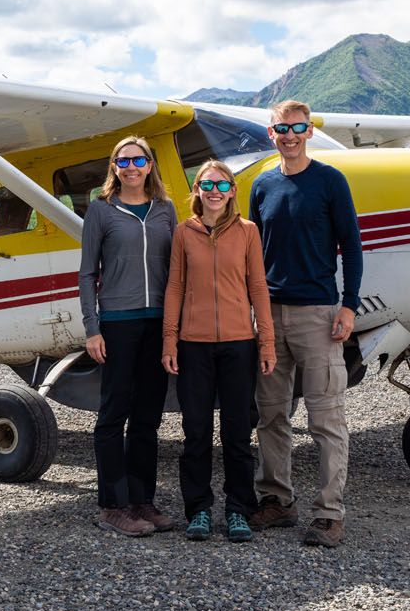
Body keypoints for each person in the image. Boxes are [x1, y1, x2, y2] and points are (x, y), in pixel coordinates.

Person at [248, 100, 363, 548]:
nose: (290, 135)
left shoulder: (330, 181)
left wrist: (349, 306)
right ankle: (276, 499)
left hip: (318, 315)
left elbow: (351, 247)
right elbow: (252, 256)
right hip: (270, 317)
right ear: (271, 133)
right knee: (271, 415)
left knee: (325, 418)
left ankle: (330, 513)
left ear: (310, 131)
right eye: (282, 128)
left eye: (298, 127)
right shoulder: (261, 186)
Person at [162, 160, 276, 543]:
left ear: (231, 192)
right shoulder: (183, 233)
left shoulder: (247, 232)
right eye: (207, 184)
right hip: (193, 346)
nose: (214, 191)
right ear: (197, 190)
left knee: (237, 432)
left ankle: (238, 510)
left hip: (238, 345)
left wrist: (267, 341)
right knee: (195, 432)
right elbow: (175, 287)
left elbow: (258, 288)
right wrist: (169, 340)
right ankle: (198, 510)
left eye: (222, 185)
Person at [79, 135, 177, 537]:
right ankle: (112, 506)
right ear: (114, 167)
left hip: (157, 323)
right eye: (124, 160)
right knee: (113, 414)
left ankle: (142, 502)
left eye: (139, 160)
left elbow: (177, 270)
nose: (132, 166)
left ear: (150, 165)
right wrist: (92, 327)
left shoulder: (165, 211)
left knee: (147, 419)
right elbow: (87, 274)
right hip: (118, 323)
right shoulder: (101, 212)